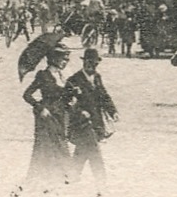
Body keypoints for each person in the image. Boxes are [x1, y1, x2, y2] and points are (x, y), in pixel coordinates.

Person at [66, 47, 117, 185]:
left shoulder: (97, 78)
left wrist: (113, 111)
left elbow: (104, 96)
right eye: (89, 63)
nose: (92, 66)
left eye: (95, 64)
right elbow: (67, 103)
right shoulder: (73, 80)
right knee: (94, 152)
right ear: (84, 62)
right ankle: (101, 181)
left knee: (82, 151)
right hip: (81, 123)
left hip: (96, 121)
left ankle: (72, 176)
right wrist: (79, 111)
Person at [23, 44, 73, 183]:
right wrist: (40, 108)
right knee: (45, 147)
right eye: (63, 59)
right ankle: (40, 178)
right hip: (47, 116)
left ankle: (62, 177)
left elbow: (66, 95)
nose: (66, 62)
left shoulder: (63, 76)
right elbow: (27, 95)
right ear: (54, 58)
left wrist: (73, 95)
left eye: (67, 59)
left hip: (61, 115)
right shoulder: (43, 75)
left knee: (61, 143)